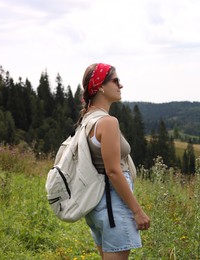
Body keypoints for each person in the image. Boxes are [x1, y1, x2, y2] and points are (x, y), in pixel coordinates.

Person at [78, 63, 150, 259]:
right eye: (115, 80)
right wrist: (137, 211)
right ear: (100, 86)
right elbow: (113, 171)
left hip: (96, 204)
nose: (121, 85)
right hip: (113, 205)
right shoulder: (108, 122)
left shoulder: (86, 119)